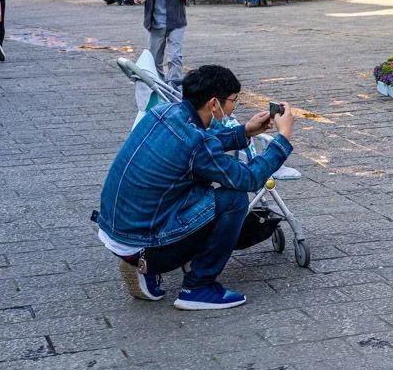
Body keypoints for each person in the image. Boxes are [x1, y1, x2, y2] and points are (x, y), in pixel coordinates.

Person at [96, 65, 295, 309]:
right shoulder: (195, 142)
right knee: (234, 198)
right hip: (144, 243)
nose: (235, 106)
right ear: (214, 103)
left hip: (119, 229)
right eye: (234, 100)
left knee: (202, 184)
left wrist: (244, 131)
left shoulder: (163, 112)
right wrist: (282, 138)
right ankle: (198, 287)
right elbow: (249, 178)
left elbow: (202, 144)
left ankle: (145, 264)